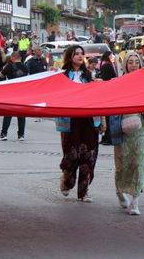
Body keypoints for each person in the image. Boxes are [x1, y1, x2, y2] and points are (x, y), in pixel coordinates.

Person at [55, 45, 101, 203]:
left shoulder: (89, 76)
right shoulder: (62, 76)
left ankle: (84, 191)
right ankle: (66, 181)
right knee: (72, 155)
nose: (80, 56)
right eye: (76, 54)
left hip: (88, 120)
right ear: (70, 56)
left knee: (88, 155)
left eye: (82, 54)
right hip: (70, 121)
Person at [112, 52, 144, 216]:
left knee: (139, 163)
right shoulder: (118, 83)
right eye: (130, 62)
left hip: (140, 128)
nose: (134, 65)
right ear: (125, 65)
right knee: (122, 164)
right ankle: (120, 191)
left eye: (137, 62)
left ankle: (135, 201)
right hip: (122, 128)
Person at [0, 52, 28, 141]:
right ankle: (21, 135)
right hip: (22, 94)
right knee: (21, 115)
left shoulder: (9, 66)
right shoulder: (25, 67)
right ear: (20, 58)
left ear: (12, 58)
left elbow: (1, 75)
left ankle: (4, 134)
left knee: (8, 114)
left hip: (11, 93)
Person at [99, 51, 117, 145]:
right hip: (109, 92)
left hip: (106, 92)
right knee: (108, 117)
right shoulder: (107, 65)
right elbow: (111, 78)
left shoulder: (103, 64)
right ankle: (108, 137)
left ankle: (107, 137)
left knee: (107, 117)